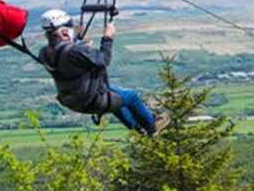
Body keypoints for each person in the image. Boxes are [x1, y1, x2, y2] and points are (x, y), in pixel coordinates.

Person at [37, 9, 167, 135]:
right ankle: (151, 125)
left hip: (72, 101)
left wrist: (78, 41)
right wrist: (107, 37)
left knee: (115, 95)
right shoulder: (76, 52)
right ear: (65, 32)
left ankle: (137, 128)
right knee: (132, 96)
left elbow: (65, 56)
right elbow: (104, 59)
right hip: (93, 100)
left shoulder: (45, 53)